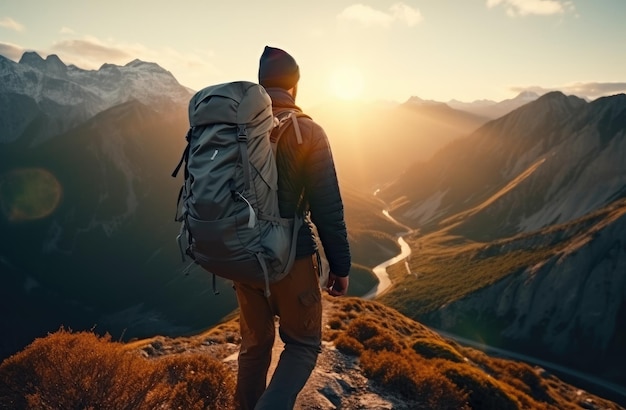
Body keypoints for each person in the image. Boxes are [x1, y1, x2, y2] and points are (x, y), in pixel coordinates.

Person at [233, 46, 351, 410]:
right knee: (301, 346)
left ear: (261, 86)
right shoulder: (308, 131)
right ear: (295, 88)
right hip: (291, 257)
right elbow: (327, 207)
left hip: (242, 256)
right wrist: (341, 267)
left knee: (254, 347)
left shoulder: (237, 129)